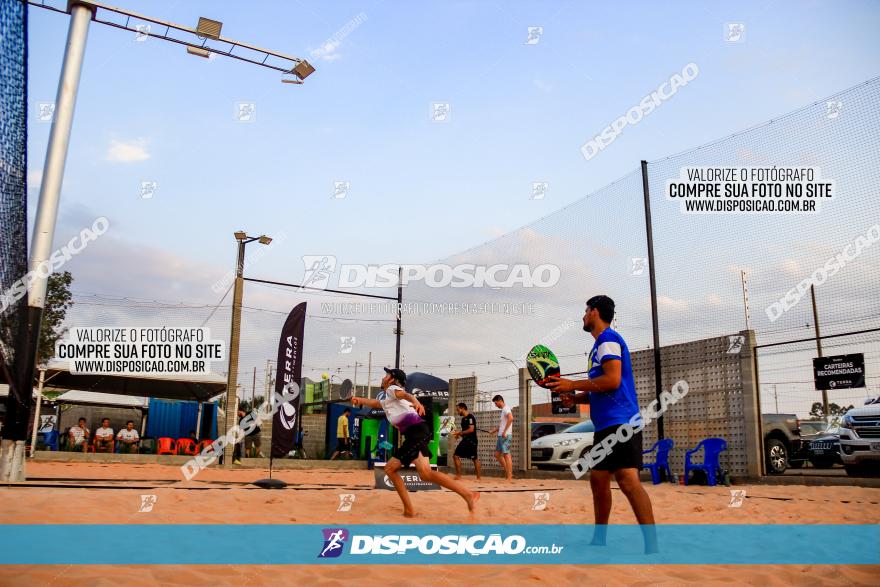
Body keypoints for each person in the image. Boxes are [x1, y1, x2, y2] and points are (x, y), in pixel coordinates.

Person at [546, 295, 657, 553]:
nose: (583, 316)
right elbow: (601, 387)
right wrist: (577, 397)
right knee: (598, 480)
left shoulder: (608, 340)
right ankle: (599, 539)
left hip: (622, 422)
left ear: (594, 311)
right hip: (606, 424)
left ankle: (652, 545)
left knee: (628, 480)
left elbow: (613, 380)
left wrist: (573, 384)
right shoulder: (599, 346)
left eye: (585, 311)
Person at [351, 367, 479, 517]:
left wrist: (416, 401)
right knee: (425, 474)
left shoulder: (393, 389)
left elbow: (406, 395)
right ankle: (468, 495)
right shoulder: (388, 400)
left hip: (415, 433)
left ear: (392, 379)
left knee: (390, 469)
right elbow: (376, 403)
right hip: (417, 433)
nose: (384, 377)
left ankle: (409, 510)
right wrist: (358, 400)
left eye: (387, 375)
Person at [452, 402, 481, 480]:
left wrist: (460, 432)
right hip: (465, 440)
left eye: (458, 410)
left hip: (472, 441)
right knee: (456, 456)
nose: (457, 412)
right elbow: (465, 431)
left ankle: (478, 477)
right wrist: (458, 435)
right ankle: (459, 475)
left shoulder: (470, 417)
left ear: (463, 408)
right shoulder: (463, 419)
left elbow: (471, 429)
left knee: (474, 458)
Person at [492, 395, 514, 480]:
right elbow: (501, 425)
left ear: (499, 400)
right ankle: (508, 472)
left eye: (495, 403)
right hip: (501, 435)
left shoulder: (506, 408)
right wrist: (494, 431)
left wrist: (504, 432)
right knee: (497, 455)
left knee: (506, 455)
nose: (495, 405)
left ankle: (509, 476)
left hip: (505, 435)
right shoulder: (503, 410)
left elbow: (511, 418)